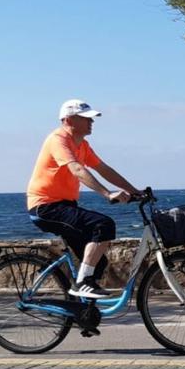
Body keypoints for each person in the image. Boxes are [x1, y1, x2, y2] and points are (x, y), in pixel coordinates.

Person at [27, 99, 143, 298]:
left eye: (92, 119)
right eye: (86, 118)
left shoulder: (83, 145)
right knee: (103, 225)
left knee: (99, 264)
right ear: (69, 120)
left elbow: (104, 169)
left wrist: (135, 192)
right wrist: (107, 194)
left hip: (64, 205)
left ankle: (84, 314)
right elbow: (77, 169)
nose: (92, 122)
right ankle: (81, 283)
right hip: (45, 206)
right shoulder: (58, 139)